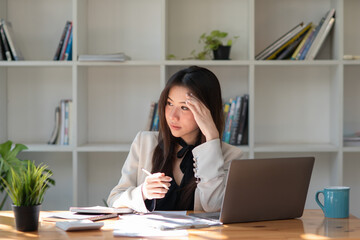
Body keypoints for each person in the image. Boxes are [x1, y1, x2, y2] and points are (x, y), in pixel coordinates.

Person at [107, 66, 243, 213]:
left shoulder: (230, 155)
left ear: (206, 111)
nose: (173, 116)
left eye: (184, 107)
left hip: (197, 235)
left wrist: (211, 138)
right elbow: (114, 200)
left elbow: (214, 206)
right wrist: (143, 192)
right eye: (169, 103)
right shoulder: (144, 143)